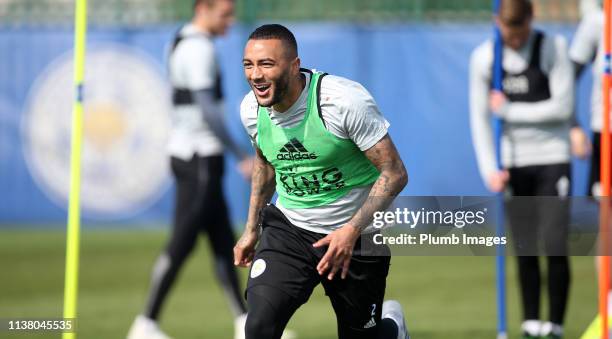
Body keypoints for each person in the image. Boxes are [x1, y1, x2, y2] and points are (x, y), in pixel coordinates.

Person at [233, 24, 410, 339]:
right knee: (258, 327)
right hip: (290, 231)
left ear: (294, 65)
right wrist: (250, 230)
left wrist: (351, 231)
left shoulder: (342, 101)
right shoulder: (250, 109)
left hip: (356, 237)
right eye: (249, 65)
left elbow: (394, 172)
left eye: (266, 64)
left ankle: (392, 327)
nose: (255, 75)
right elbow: (265, 163)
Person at [127, 1, 253, 338]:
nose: (231, 19)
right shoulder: (198, 49)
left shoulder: (180, 39)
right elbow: (207, 109)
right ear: (203, 8)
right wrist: (241, 153)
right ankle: (146, 324)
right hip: (199, 157)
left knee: (222, 240)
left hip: (190, 153)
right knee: (182, 242)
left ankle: (245, 323)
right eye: (225, 12)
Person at [469, 1, 573, 338]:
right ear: (496, 22)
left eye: (521, 34)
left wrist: (510, 111)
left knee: (554, 242)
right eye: (509, 35)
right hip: (511, 163)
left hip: (552, 157)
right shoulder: (484, 59)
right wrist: (489, 169)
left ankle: (554, 325)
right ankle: (530, 324)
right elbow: (480, 118)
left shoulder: (553, 48)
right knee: (524, 245)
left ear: (532, 19)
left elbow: (563, 107)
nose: (515, 42)